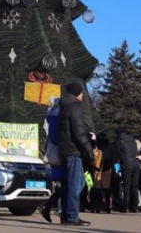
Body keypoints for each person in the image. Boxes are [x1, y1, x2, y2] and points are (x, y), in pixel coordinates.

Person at [57, 82, 94, 227]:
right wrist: (89, 150)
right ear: (78, 93)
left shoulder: (64, 106)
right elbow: (79, 132)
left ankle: (67, 214)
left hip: (66, 149)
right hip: (74, 150)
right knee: (76, 183)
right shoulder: (75, 106)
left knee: (76, 182)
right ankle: (71, 215)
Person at [40, 98, 67, 223]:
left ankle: (50, 208)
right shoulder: (56, 115)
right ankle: (51, 208)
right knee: (67, 184)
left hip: (58, 154)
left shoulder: (54, 115)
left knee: (66, 185)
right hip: (59, 155)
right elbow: (55, 137)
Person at [115, 127, 140, 213]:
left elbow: (117, 154)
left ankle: (126, 206)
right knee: (135, 186)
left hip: (126, 165)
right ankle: (135, 206)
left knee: (126, 185)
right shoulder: (132, 140)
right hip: (136, 164)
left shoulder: (119, 141)